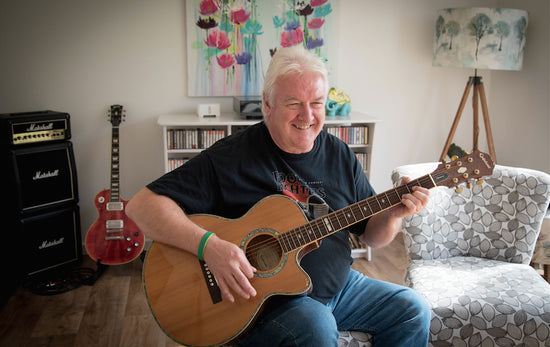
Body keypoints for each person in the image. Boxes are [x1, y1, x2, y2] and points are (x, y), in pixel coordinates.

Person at [126, 45, 431, 346]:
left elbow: (372, 238)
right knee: (317, 326)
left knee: (413, 309)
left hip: (341, 288)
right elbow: (142, 207)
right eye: (294, 103)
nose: (308, 116)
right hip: (269, 304)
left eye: (317, 103)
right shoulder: (231, 158)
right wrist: (209, 246)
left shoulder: (340, 154)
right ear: (268, 104)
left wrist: (392, 214)